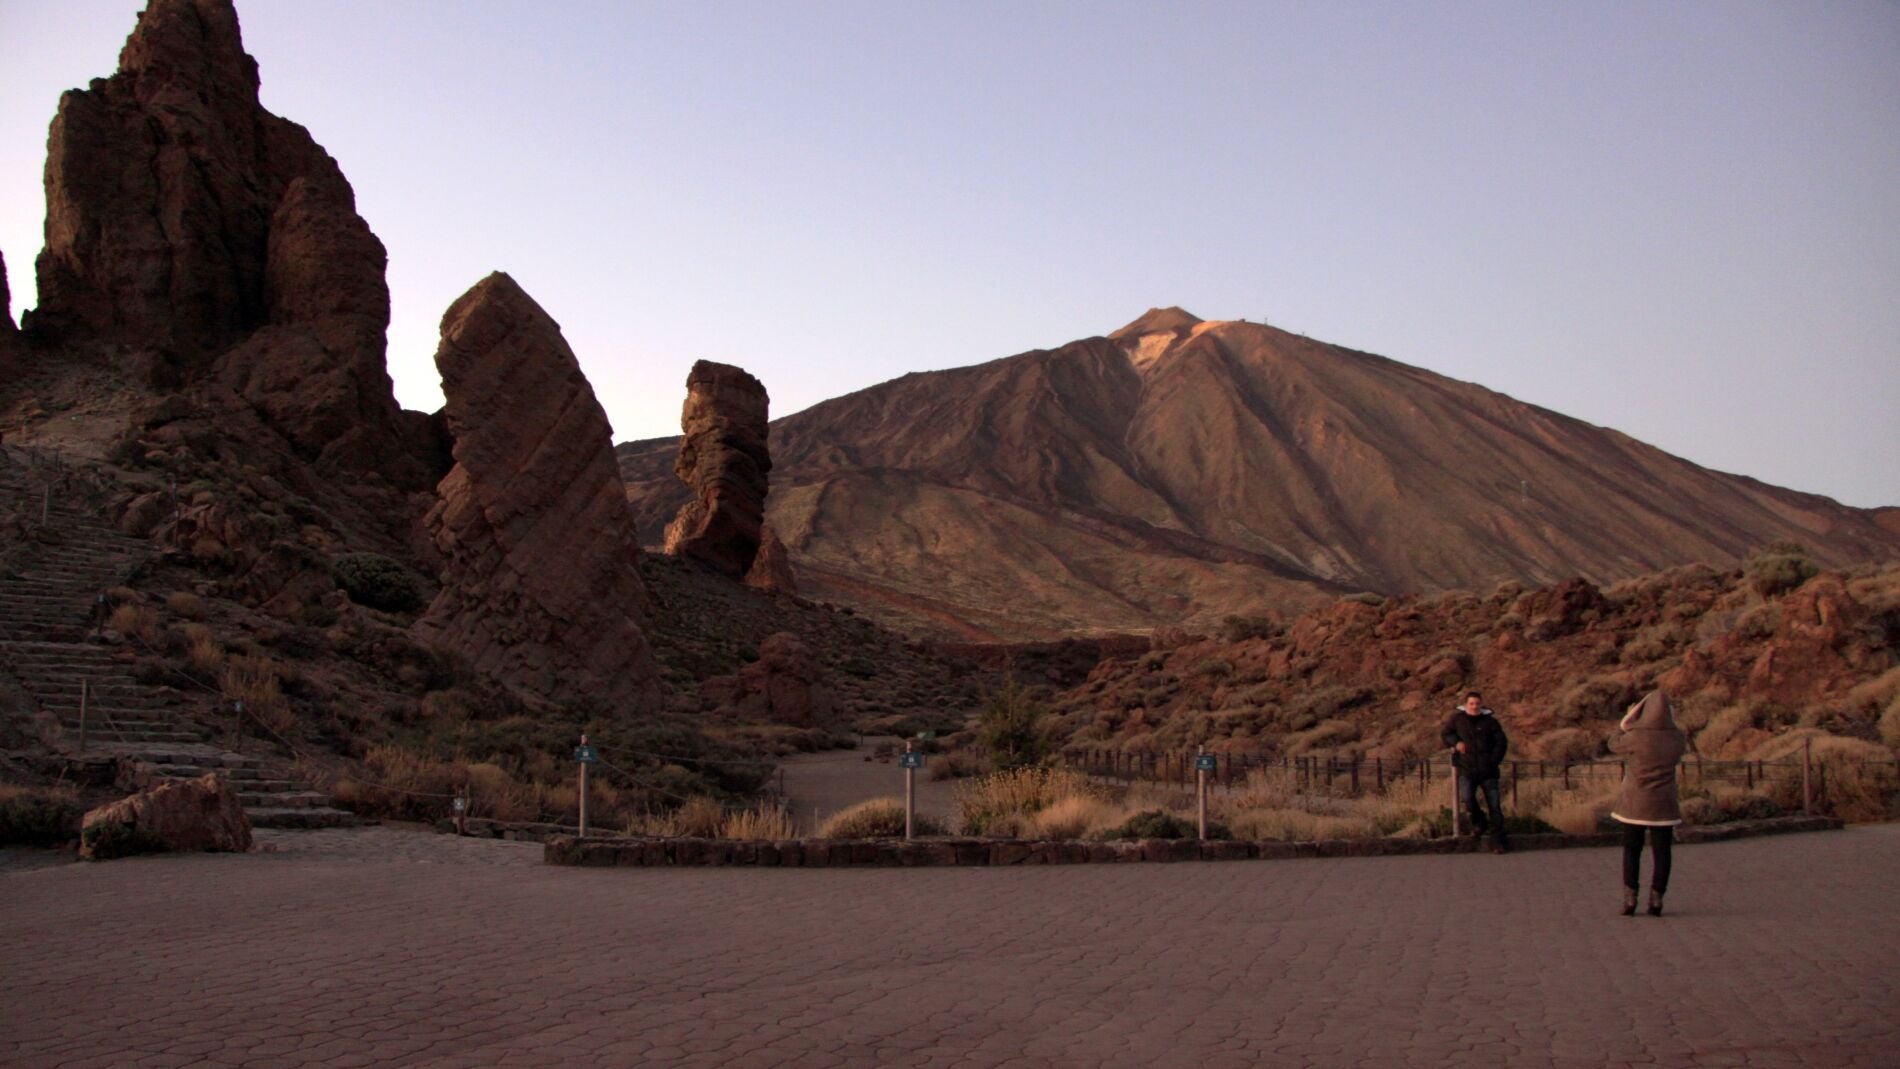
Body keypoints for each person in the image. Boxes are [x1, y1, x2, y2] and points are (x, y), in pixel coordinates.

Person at [1610, 689, 1686, 916]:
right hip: (1664, 802)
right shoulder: (1677, 738)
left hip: (1636, 802)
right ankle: (1656, 898)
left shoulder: (1636, 737)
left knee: (1632, 850)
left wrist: (1628, 721)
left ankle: (1630, 897)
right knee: (1662, 851)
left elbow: (1613, 743)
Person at [1441, 691, 1510, 853]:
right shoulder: (1458, 720)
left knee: (1494, 806)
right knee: (1467, 798)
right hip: (1467, 768)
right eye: (1471, 704)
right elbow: (1446, 734)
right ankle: (1479, 822)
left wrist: (1493, 761)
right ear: (1466, 705)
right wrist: (1456, 742)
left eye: (1477, 703)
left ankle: (1497, 841)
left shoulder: (1490, 722)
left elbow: (1501, 743)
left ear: (1481, 704)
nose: (1474, 706)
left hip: (1489, 771)